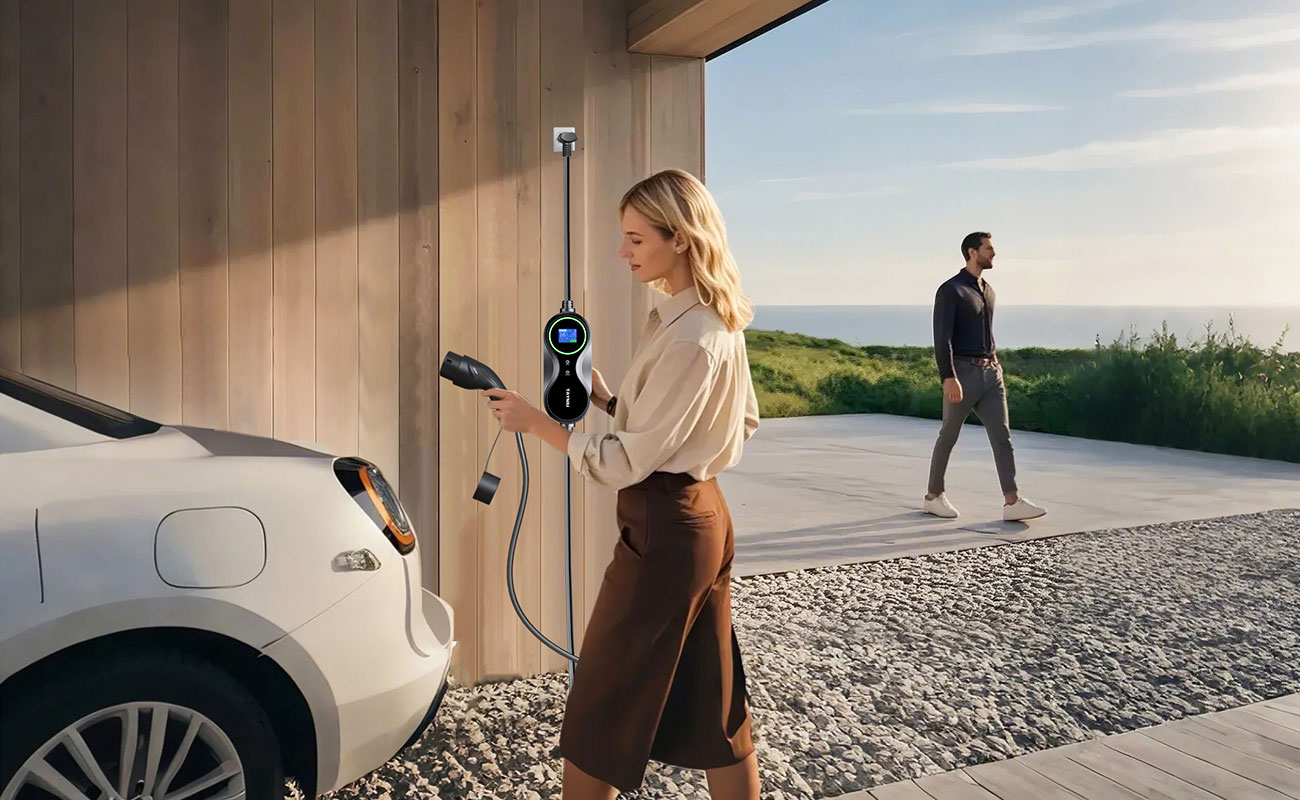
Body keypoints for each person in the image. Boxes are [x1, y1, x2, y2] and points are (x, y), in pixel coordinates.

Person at [483, 168, 762, 800]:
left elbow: (624, 464)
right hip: (701, 517)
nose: (623, 253)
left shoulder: (691, 335)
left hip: (664, 528)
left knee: (602, 700)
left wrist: (537, 424)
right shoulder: (705, 320)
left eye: (636, 240)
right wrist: (612, 402)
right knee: (713, 699)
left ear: (682, 238)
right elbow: (735, 422)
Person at [924, 231, 1046, 523]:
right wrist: (948, 376)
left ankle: (1012, 501)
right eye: (988, 248)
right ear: (971, 252)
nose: (994, 253)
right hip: (963, 373)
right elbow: (942, 338)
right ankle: (933, 496)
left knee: (1002, 436)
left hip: (992, 373)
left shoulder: (988, 290)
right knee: (949, 435)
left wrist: (996, 364)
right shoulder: (950, 290)